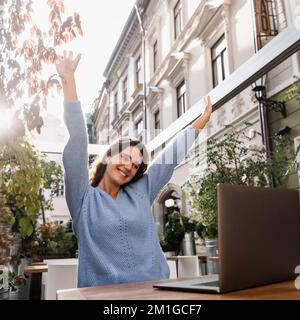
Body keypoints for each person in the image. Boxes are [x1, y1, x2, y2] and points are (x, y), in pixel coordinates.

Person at [57, 51, 212, 288]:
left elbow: (168, 159)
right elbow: (78, 139)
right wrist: (70, 80)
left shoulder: (140, 192)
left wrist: (200, 122)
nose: (129, 166)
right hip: (104, 297)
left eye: (136, 164)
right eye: (125, 157)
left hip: (156, 290)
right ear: (108, 156)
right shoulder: (83, 198)